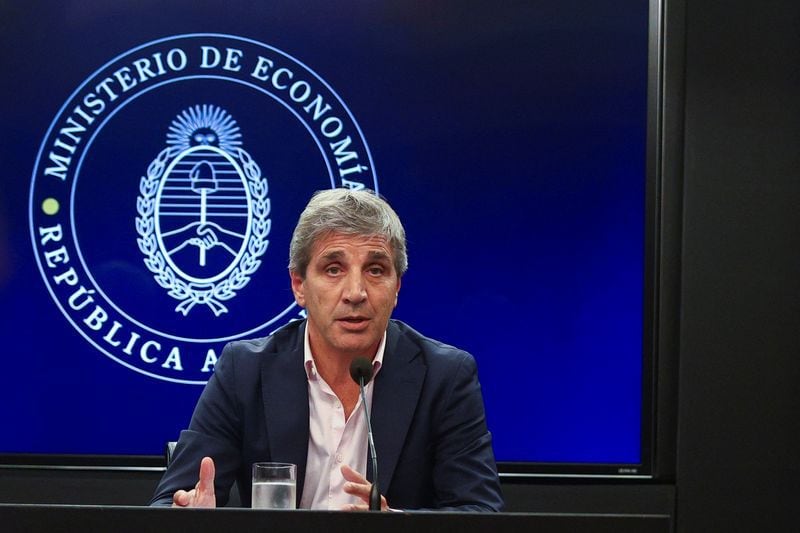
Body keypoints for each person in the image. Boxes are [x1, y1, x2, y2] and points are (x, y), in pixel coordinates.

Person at [149, 188, 503, 511]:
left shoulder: (445, 377)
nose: (355, 293)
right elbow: (168, 502)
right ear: (299, 285)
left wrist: (397, 525)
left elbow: (481, 513)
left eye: (376, 270)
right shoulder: (244, 370)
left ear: (397, 288)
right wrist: (189, 517)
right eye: (333, 269)